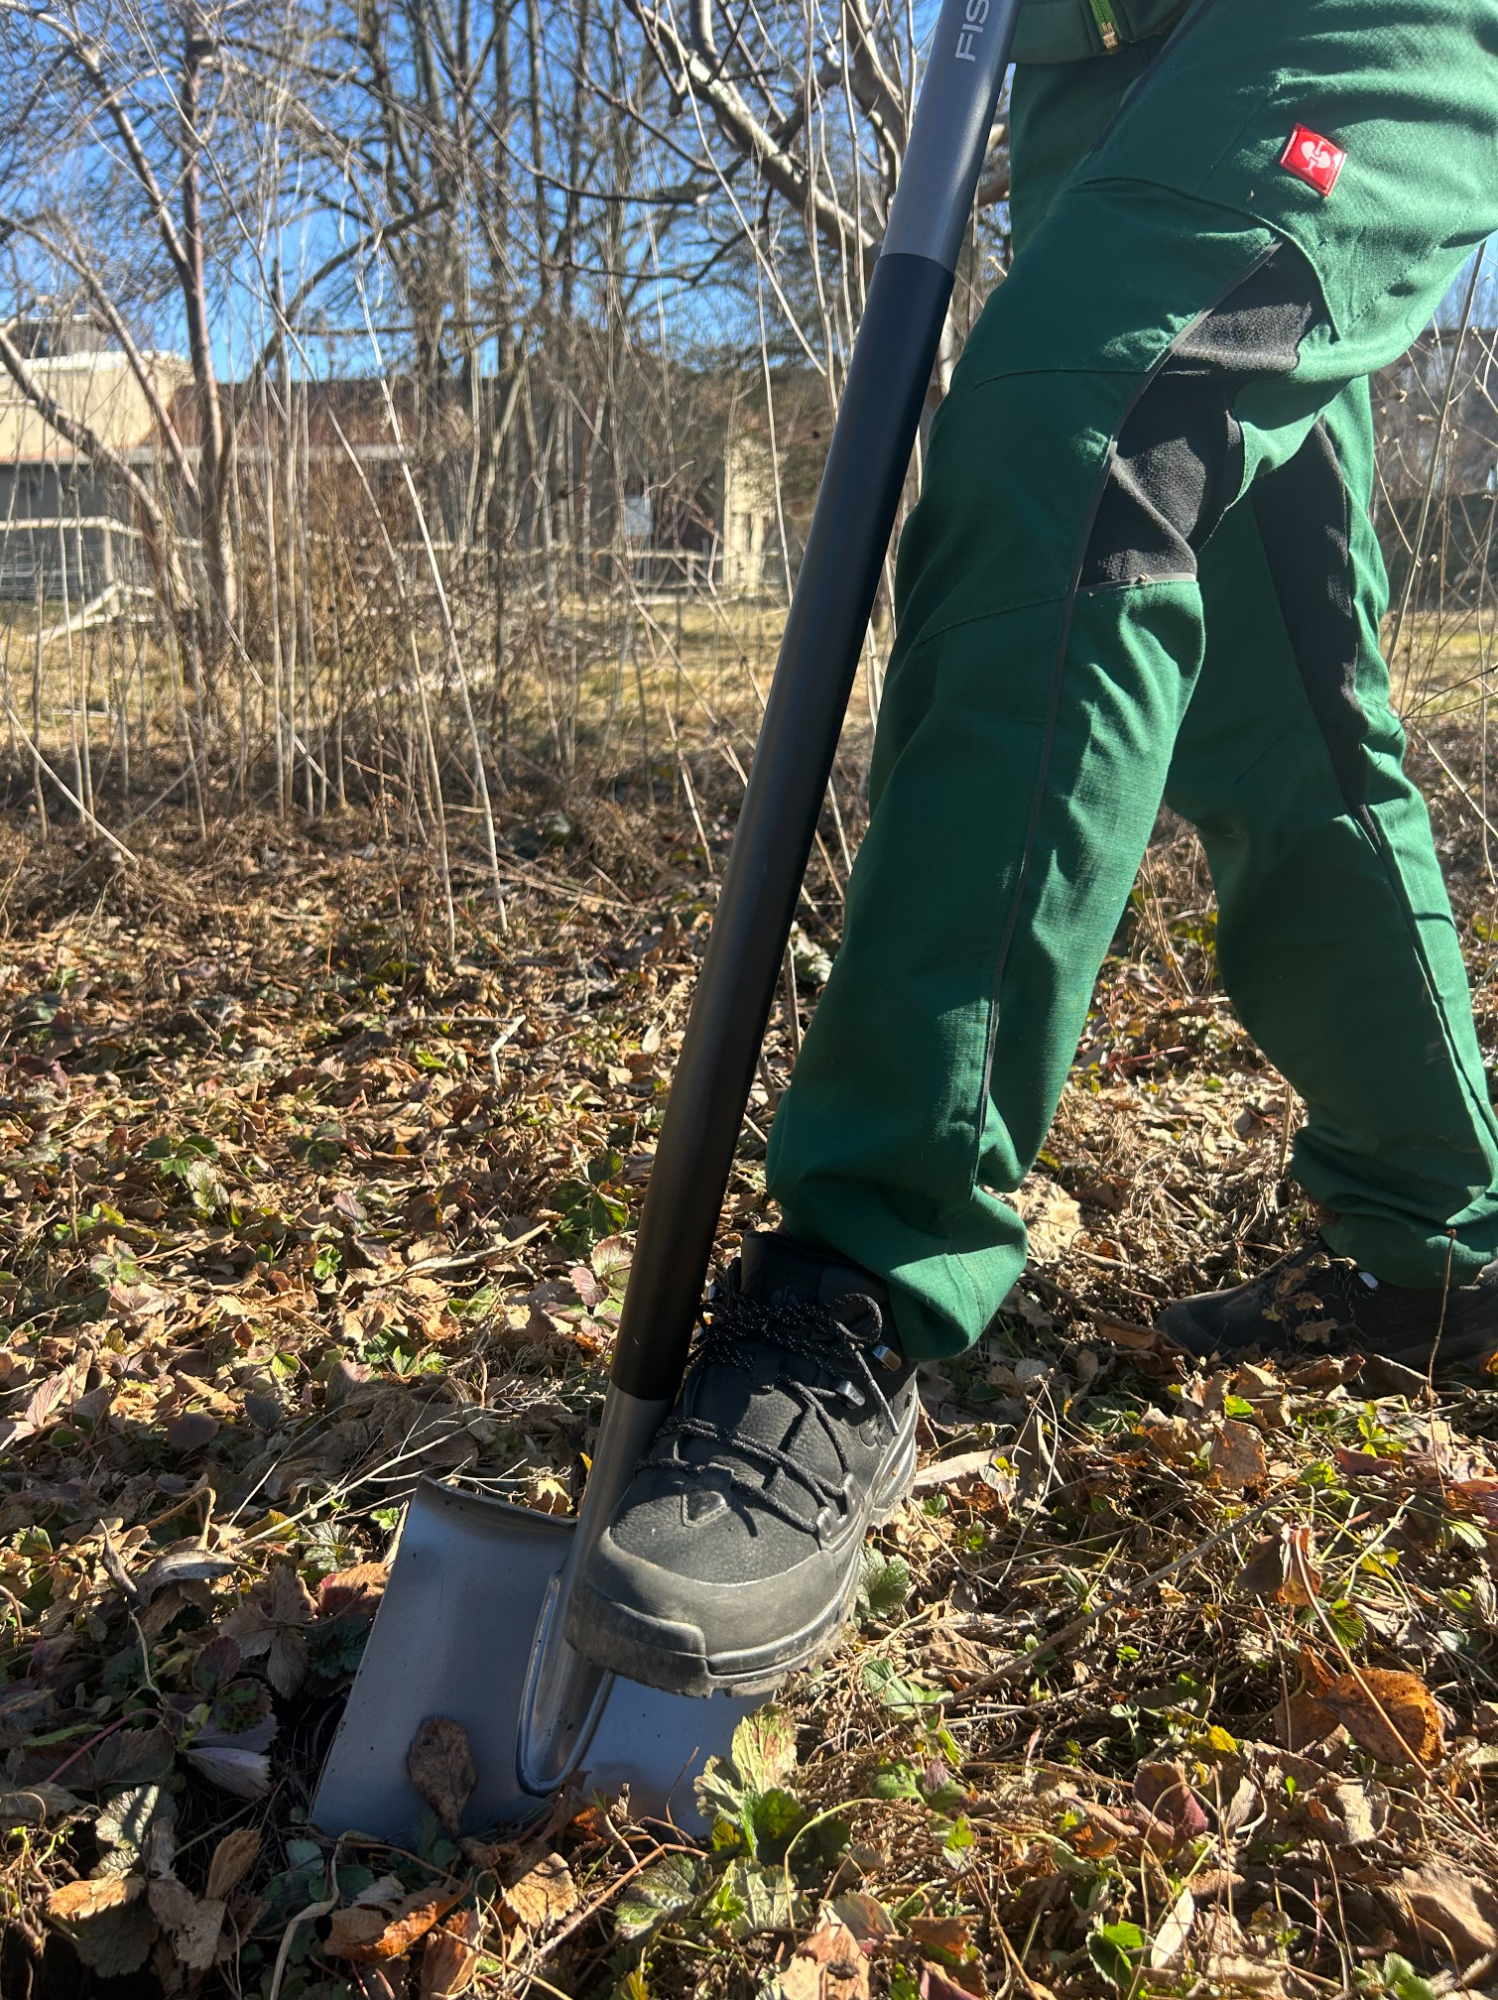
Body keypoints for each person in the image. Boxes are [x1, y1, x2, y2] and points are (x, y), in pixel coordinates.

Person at [566, 0, 1498, 1699]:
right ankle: (1442, 1236)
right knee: (1278, 694)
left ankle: (869, 1265)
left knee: (1084, 438)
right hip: (1090, 65)